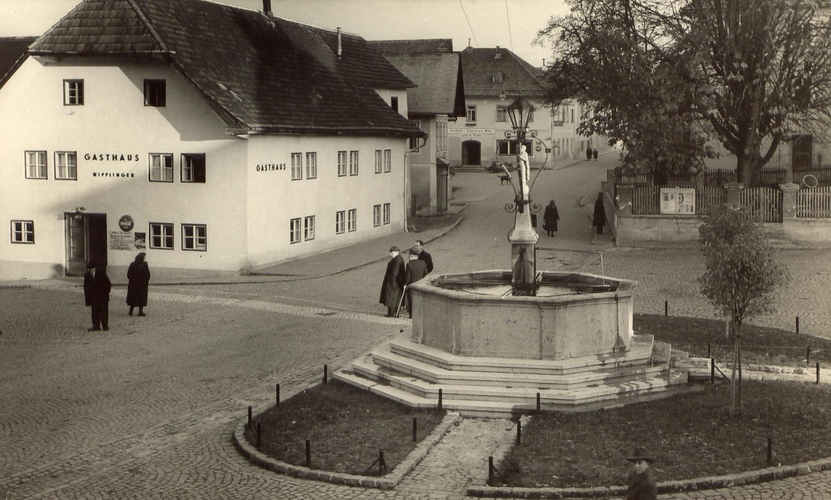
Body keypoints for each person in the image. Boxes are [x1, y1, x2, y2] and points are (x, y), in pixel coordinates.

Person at [84, 263, 111, 331]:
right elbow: (86, 289)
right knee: (95, 312)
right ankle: (96, 326)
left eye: (92, 269)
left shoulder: (101, 273)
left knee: (104, 311)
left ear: (94, 268)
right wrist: (88, 300)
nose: (90, 271)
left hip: (102, 297)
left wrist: (105, 293)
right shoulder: (87, 275)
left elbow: (108, 284)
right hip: (94, 298)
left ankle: (105, 326)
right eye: (89, 269)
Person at [379, 246, 406, 317]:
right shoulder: (398, 259)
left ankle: (391, 312)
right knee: (393, 297)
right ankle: (393, 312)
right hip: (396, 282)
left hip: (393, 283)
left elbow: (394, 273)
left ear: (395, 252)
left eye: (391, 252)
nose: (390, 254)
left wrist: (388, 279)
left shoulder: (396, 260)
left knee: (390, 297)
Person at [403, 249, 429, 318]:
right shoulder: (423, 263)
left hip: (412, 285)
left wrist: (405, 284)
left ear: (412, 256)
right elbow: (426, 274)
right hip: (421, 284)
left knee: (411, 300)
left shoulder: (409, 265)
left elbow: (407, 277)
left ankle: (412, 315)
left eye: (409, 256)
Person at [126, 252, 150, 316]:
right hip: (135, 285)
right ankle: (131, 310)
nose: (145, 258)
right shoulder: (133, 264)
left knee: (141, 298)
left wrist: (145, 281)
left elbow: (148, 274)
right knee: (134, 298)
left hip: (141, 285)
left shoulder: (145, 264)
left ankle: (140, 311)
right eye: (144, 257)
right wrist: (135, 281)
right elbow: (129, 274)